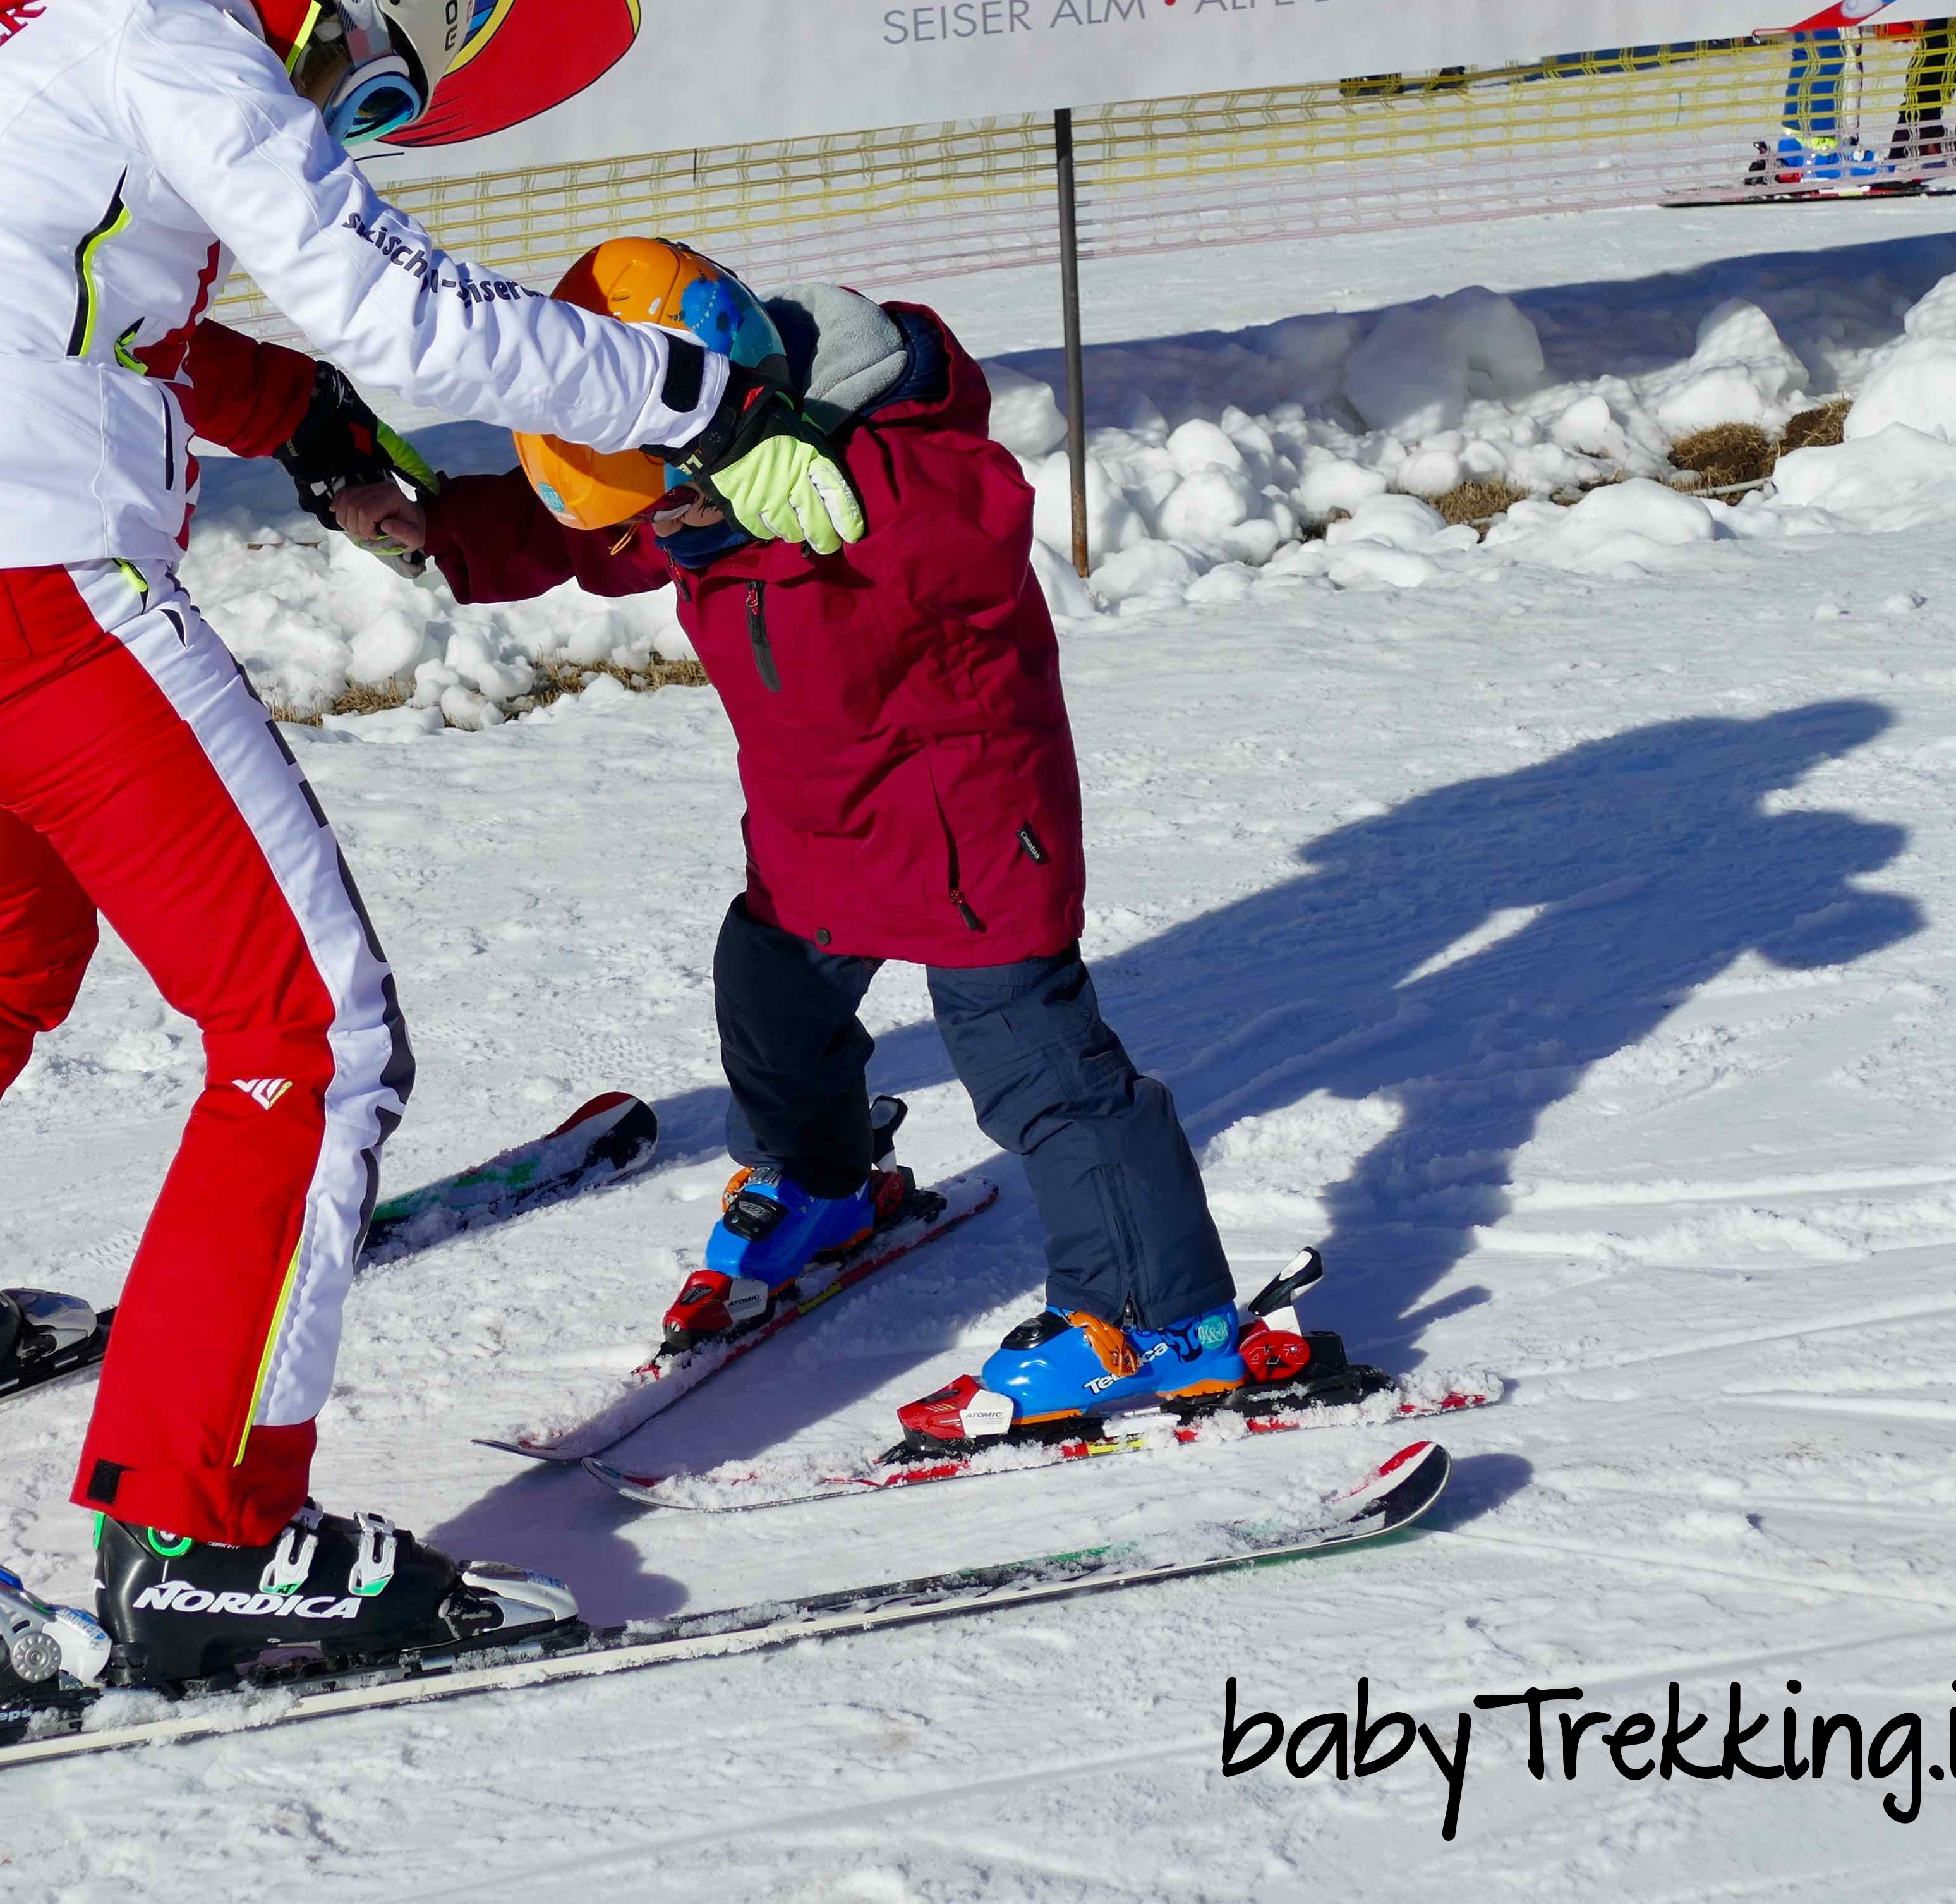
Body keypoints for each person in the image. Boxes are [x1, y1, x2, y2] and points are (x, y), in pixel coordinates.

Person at [0, 0, 869, 1688]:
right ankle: (199, 1535)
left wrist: (308, 426)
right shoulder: (165, 17)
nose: (332, 96)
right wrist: (688, 392)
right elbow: (395, 305)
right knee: (309, 1034)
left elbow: (101, 310)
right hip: (23, 590)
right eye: (359, 67)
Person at [331, 238, 1308, 1452]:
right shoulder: (691, 480)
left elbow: (971, 527)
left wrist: (826, 484)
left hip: (962, 822)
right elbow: (592, 532)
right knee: (771, 993)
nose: (663, 534)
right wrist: (442, 529)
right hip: (816, 816)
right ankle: (824, 1186)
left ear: (734, 420)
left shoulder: (902, 453)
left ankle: (1158, 1319)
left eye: (676, 500)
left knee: (1036, 1065)